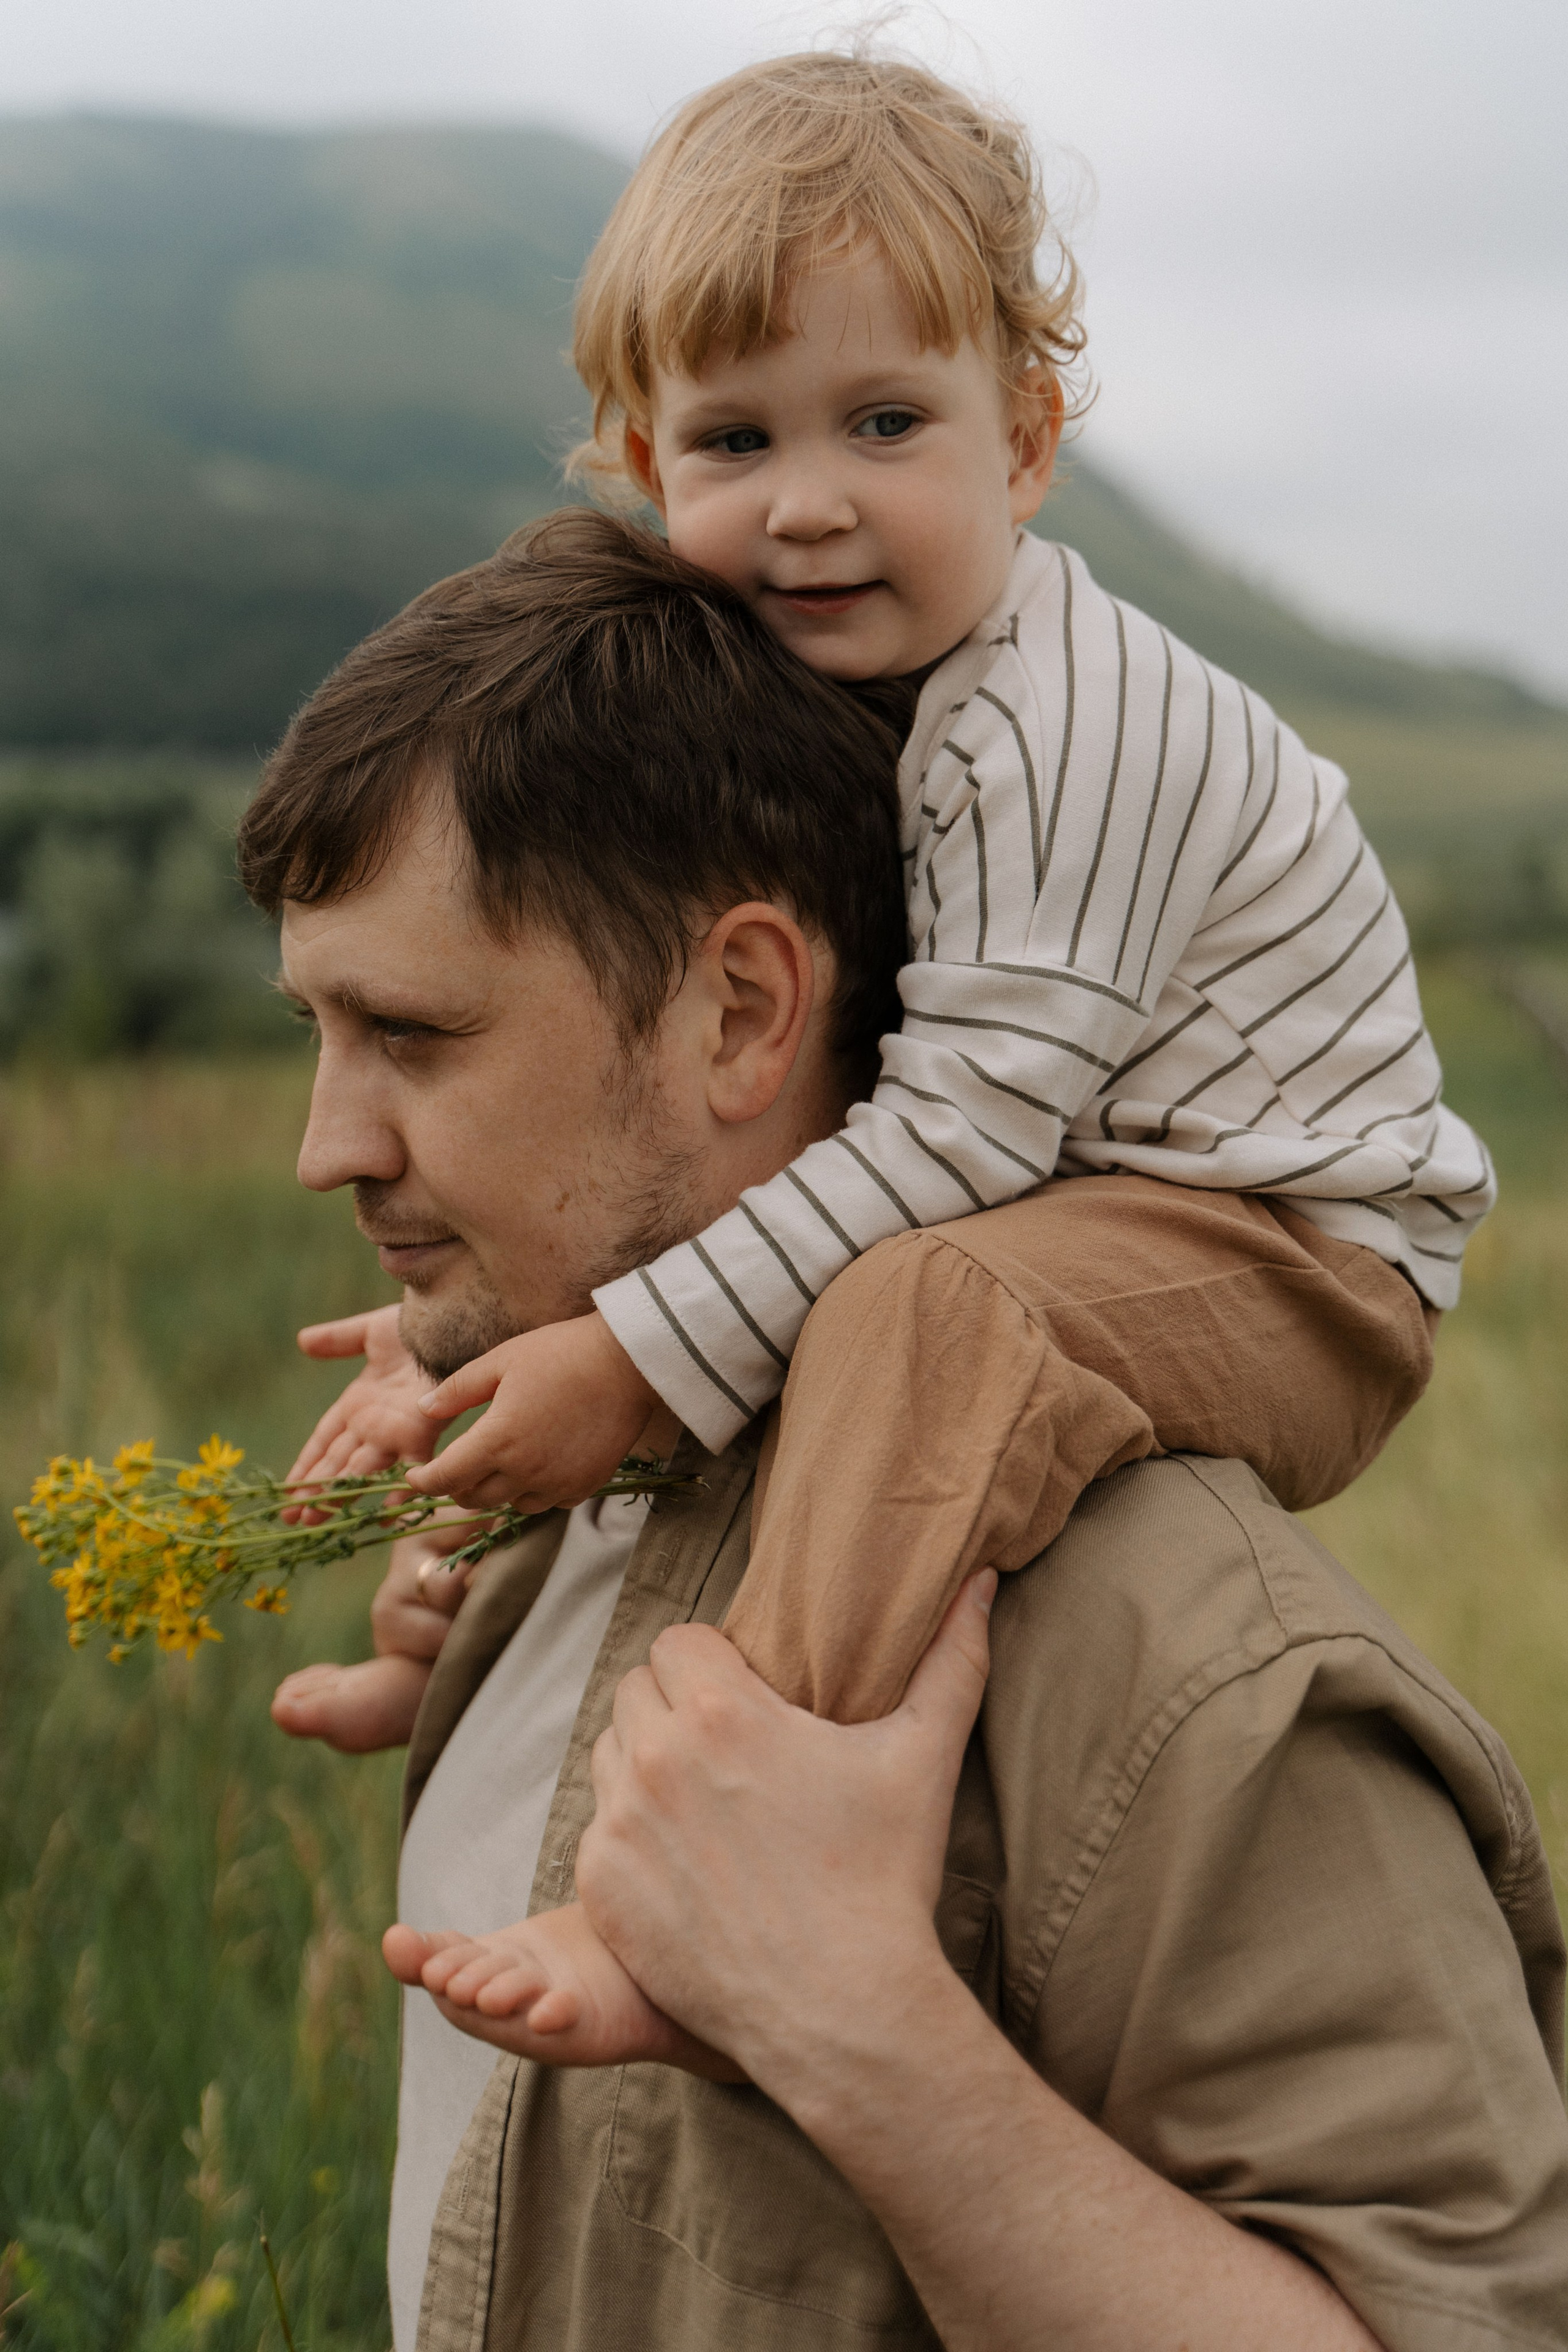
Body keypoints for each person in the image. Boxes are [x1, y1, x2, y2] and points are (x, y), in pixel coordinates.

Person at [246, 517, 1568, 2352]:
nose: (326, 1145)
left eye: (410, 1032)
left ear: (741, 1010)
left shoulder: (1174, 1652)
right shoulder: (563, 1495)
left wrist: (855, 2029)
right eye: (316, 1029)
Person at [282, 48, 1485, 1749]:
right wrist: (489, 1323)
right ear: (651, 473)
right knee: (678, 1257)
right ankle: (459, 1640)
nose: (809, 503)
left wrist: (624, 1355)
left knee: (918, 1316)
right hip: (1079, 1184)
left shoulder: (1065, 727)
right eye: (736, 439)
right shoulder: (850, 706)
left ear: (1028, 443)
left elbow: (960, 1142)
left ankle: (759, 1776)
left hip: (1291, 1250)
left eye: (887, 424)